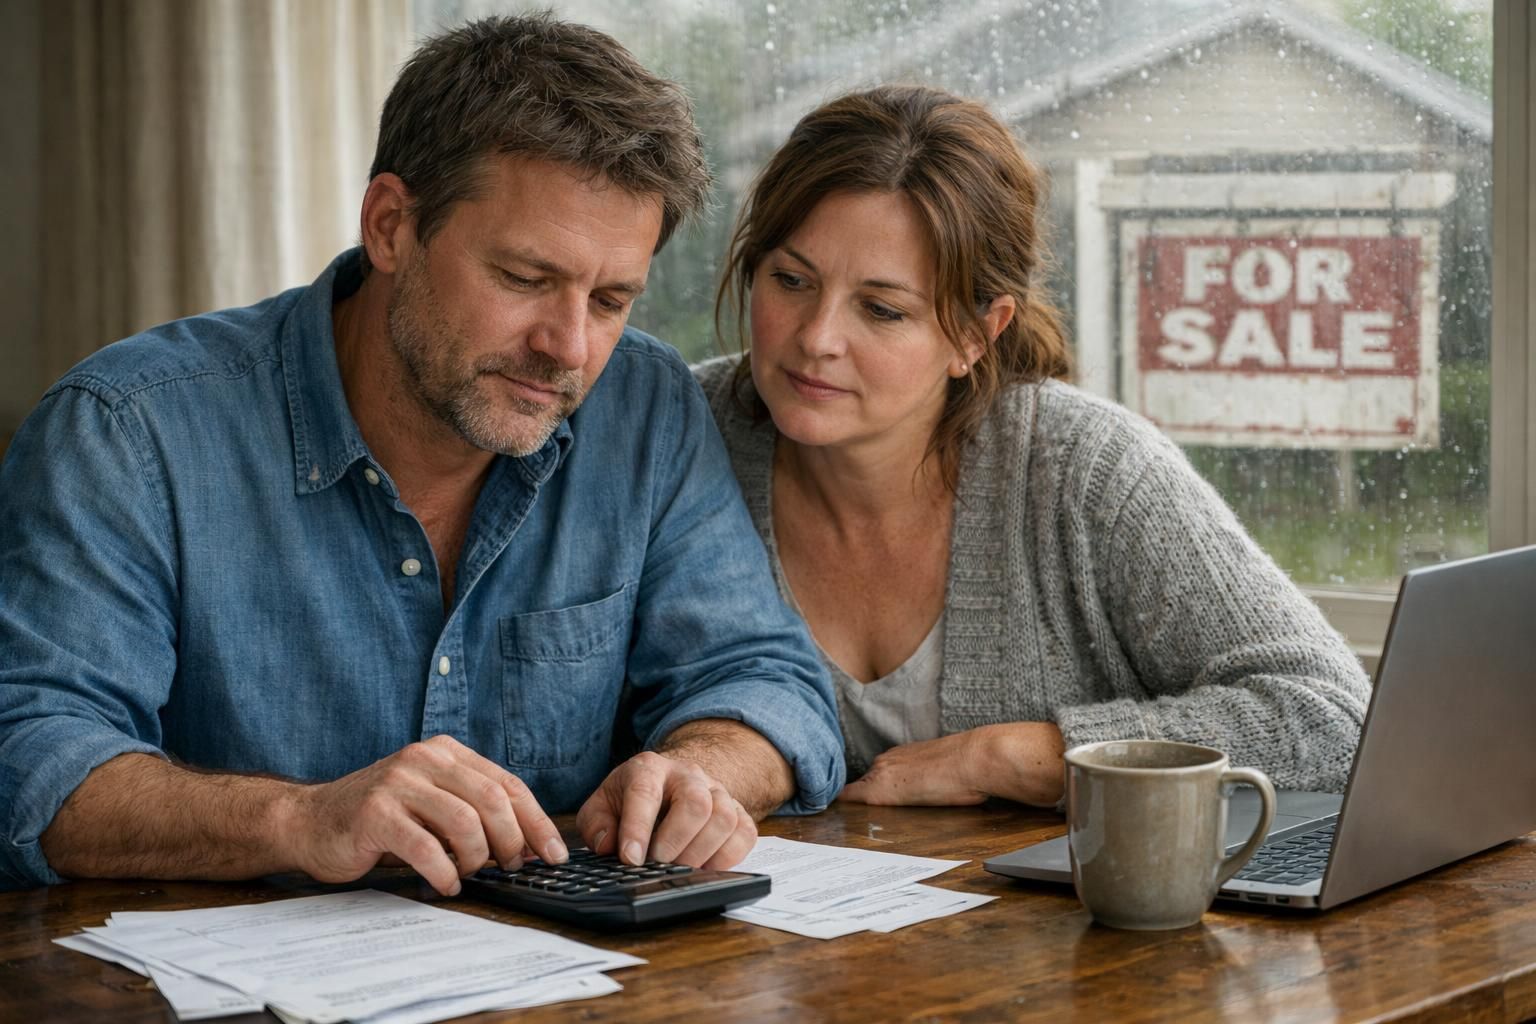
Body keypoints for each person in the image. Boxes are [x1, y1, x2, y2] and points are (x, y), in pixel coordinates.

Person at [0, 14, 844, 894]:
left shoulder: (645, 406)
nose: (569, 347)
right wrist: (303, 818)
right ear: (391, 226)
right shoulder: (126, 431)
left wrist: (704, 771)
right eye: (524, 279)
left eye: (611, 299)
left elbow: (765, 680)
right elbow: (31, 759)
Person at [695, 85, 1369, 808]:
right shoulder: (680, 432)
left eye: (883, 309)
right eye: (791, 280)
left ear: (976, 334)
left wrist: (1018, 755)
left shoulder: (1087, 470)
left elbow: (1334, 717)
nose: (816, 339)